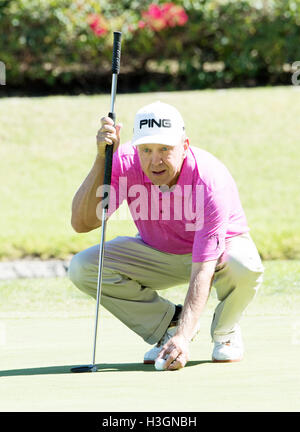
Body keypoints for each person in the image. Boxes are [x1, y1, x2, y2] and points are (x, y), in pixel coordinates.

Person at [68, 101, 264, 371]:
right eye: (146, 150)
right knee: (84, 267)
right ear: (136, 148)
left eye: (165, 149)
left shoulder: (208, 180)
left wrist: (186, 338)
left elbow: (203, 267)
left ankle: (225, 331)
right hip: (158, 253)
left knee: (245, 264)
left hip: (216, 258)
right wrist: (103, 158)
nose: (155, 160)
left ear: (184, 146)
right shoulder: (125, 162)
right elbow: (82, 223)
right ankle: (169, 325)